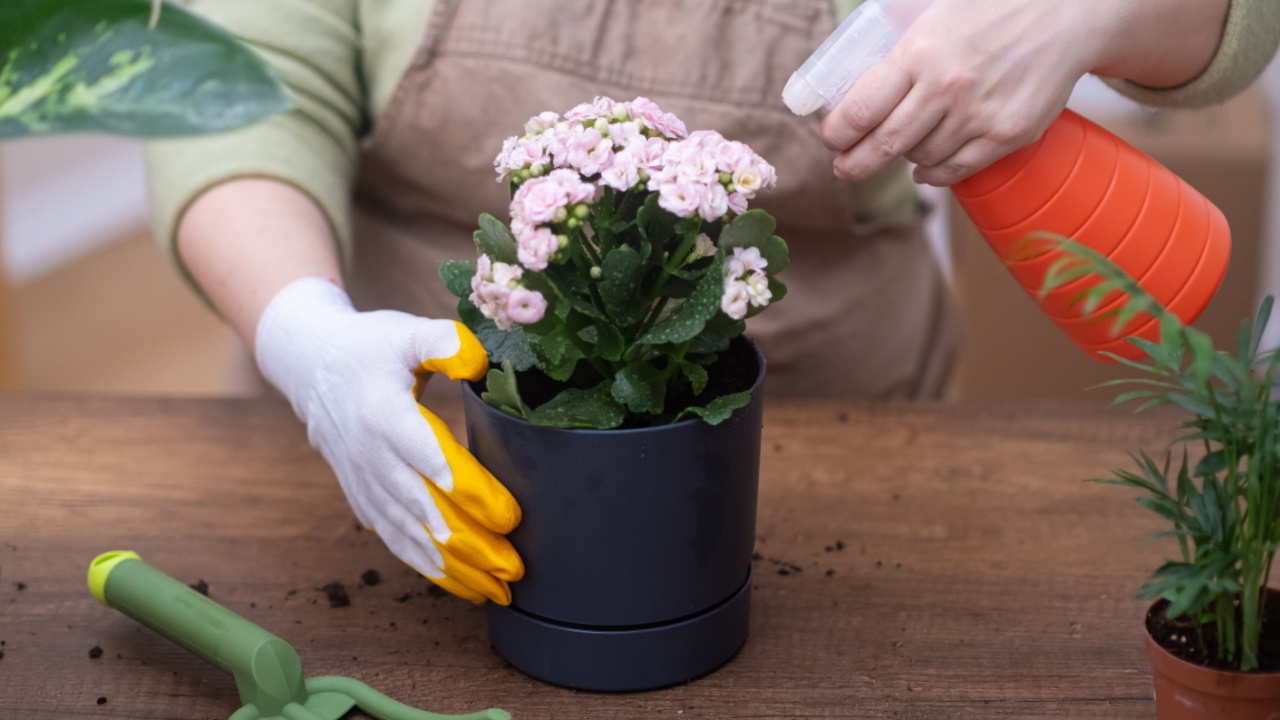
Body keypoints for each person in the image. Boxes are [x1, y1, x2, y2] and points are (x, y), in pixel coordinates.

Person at [146, 0, 1280, 606]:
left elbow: (1227, 23)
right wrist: (307, 338)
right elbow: (230, 77)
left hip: (855, 476)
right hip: (386, 439)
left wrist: (1077, 10)